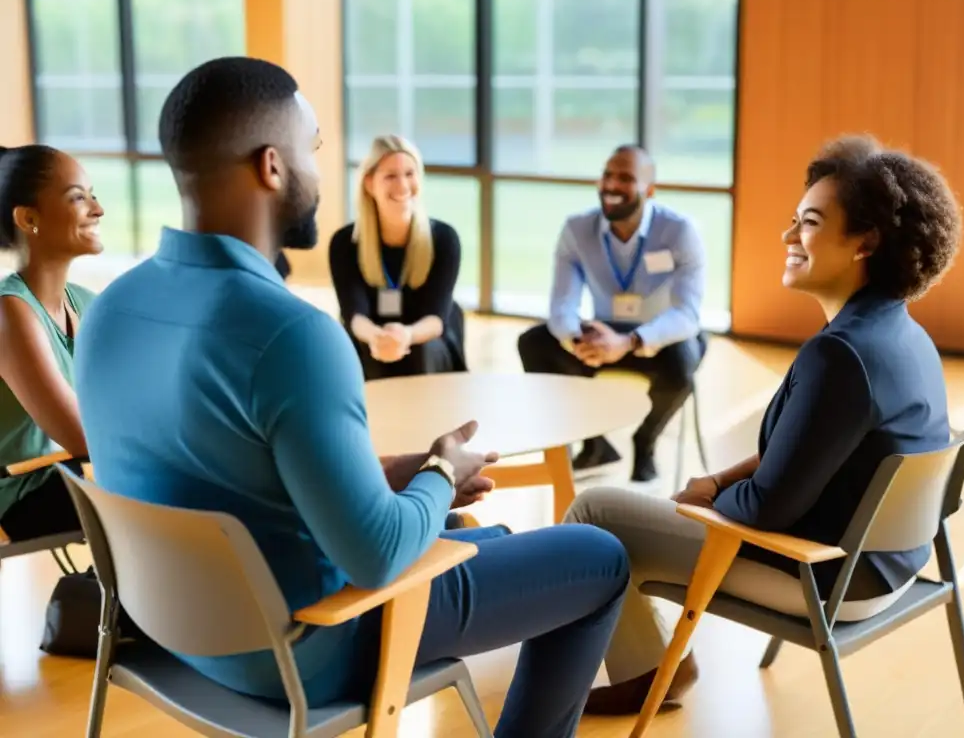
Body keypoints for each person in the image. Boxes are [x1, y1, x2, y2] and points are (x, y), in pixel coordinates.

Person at [74, 56, 629, 738]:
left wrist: (382, 472)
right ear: (272, 167)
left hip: (173, 635)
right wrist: (438, 473)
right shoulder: (290, 335)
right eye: (312, 148)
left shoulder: (110, 311)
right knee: (598, 555)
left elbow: (209, 468)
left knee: (497, 539)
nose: (320, 168)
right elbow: (378, 555)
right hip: (310, 648)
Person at [563, 134, 963, 715]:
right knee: (641, 519)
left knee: (596, 515)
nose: (787, 237)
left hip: (826, 577)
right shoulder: (901, 332)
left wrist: (703, 504)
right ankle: (651, 665)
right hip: (893, 562)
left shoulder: (839, 357)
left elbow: (767, 508)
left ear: (865, 242)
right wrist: (717, 480)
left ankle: (645, 673)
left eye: (808, 222)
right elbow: (809, 452)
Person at [518, 144, 707, 482]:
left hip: (657, 337)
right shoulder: (577, 229)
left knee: (684, 360)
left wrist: (630, 340)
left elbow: (687, 314)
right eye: (607, 175)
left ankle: (645, 440)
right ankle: (595, 443)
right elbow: (562, 306)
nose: (612, 185)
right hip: (599, 336)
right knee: (532, 343)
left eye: (626, 178)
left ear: (649, 190)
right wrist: (579, 339)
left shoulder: (679, 231)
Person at [0, 144, 102, 541]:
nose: (97, 210)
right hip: (16, 491)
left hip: (64, 472)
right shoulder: (11, 313)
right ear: (28, 218)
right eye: (79, 197)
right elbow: (84, 437)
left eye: (94, 196)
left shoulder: (87, 303)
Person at [329, 134, 466, 380]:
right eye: (390, 176)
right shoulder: (345, 242)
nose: (402, 186)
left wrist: (405, 336)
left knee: (417, 352)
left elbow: (436, 319)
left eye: (410, 174)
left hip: (426, 343)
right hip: (370, 340)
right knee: (373, 354)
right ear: (369, 184)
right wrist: (378, 338)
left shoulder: (444, 239)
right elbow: (354, 314)